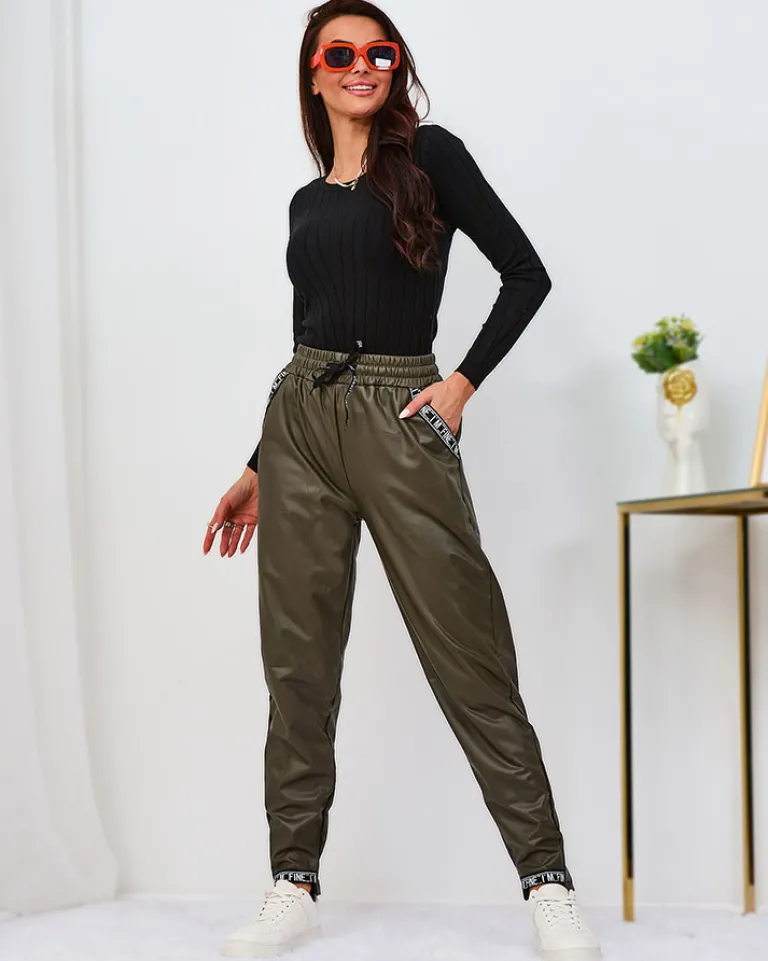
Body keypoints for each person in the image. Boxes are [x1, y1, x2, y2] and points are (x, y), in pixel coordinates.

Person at [203, 1, 602, 958]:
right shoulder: (306, 203)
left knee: (469, 650)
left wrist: (459, 384)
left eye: (379, 52)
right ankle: (293, 878)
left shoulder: (431, 157)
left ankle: (547, 880)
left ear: (395, 66)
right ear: (313, 74)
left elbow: (526, 273)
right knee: (298, 663)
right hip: (299, 424)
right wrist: (261, 464)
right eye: (340, 53)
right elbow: (309, 337)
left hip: (401, 415)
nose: (361, 65)